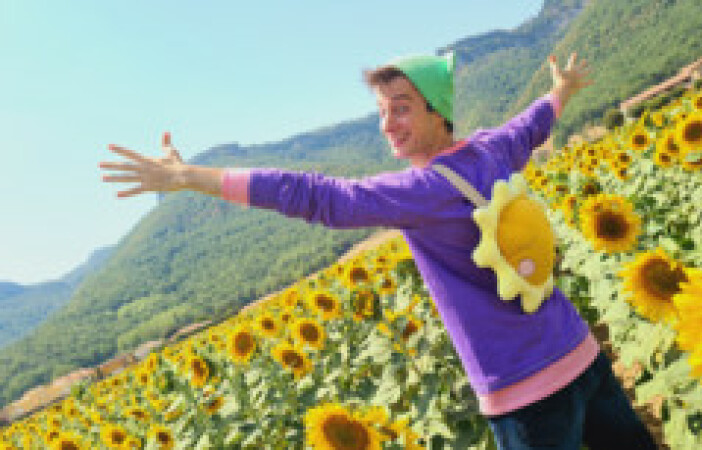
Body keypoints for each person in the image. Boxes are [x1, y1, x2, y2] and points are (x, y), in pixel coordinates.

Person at [99, 51, 658, 449]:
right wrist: (562, 90)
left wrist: (191, 177)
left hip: (526, 392)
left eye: (401, 107)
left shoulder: (423, 191)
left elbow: (316, 196)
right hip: (579, 351)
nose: (387, 124)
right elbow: (531, 124)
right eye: (382, 111)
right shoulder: (493, 149)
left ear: (438, 110)